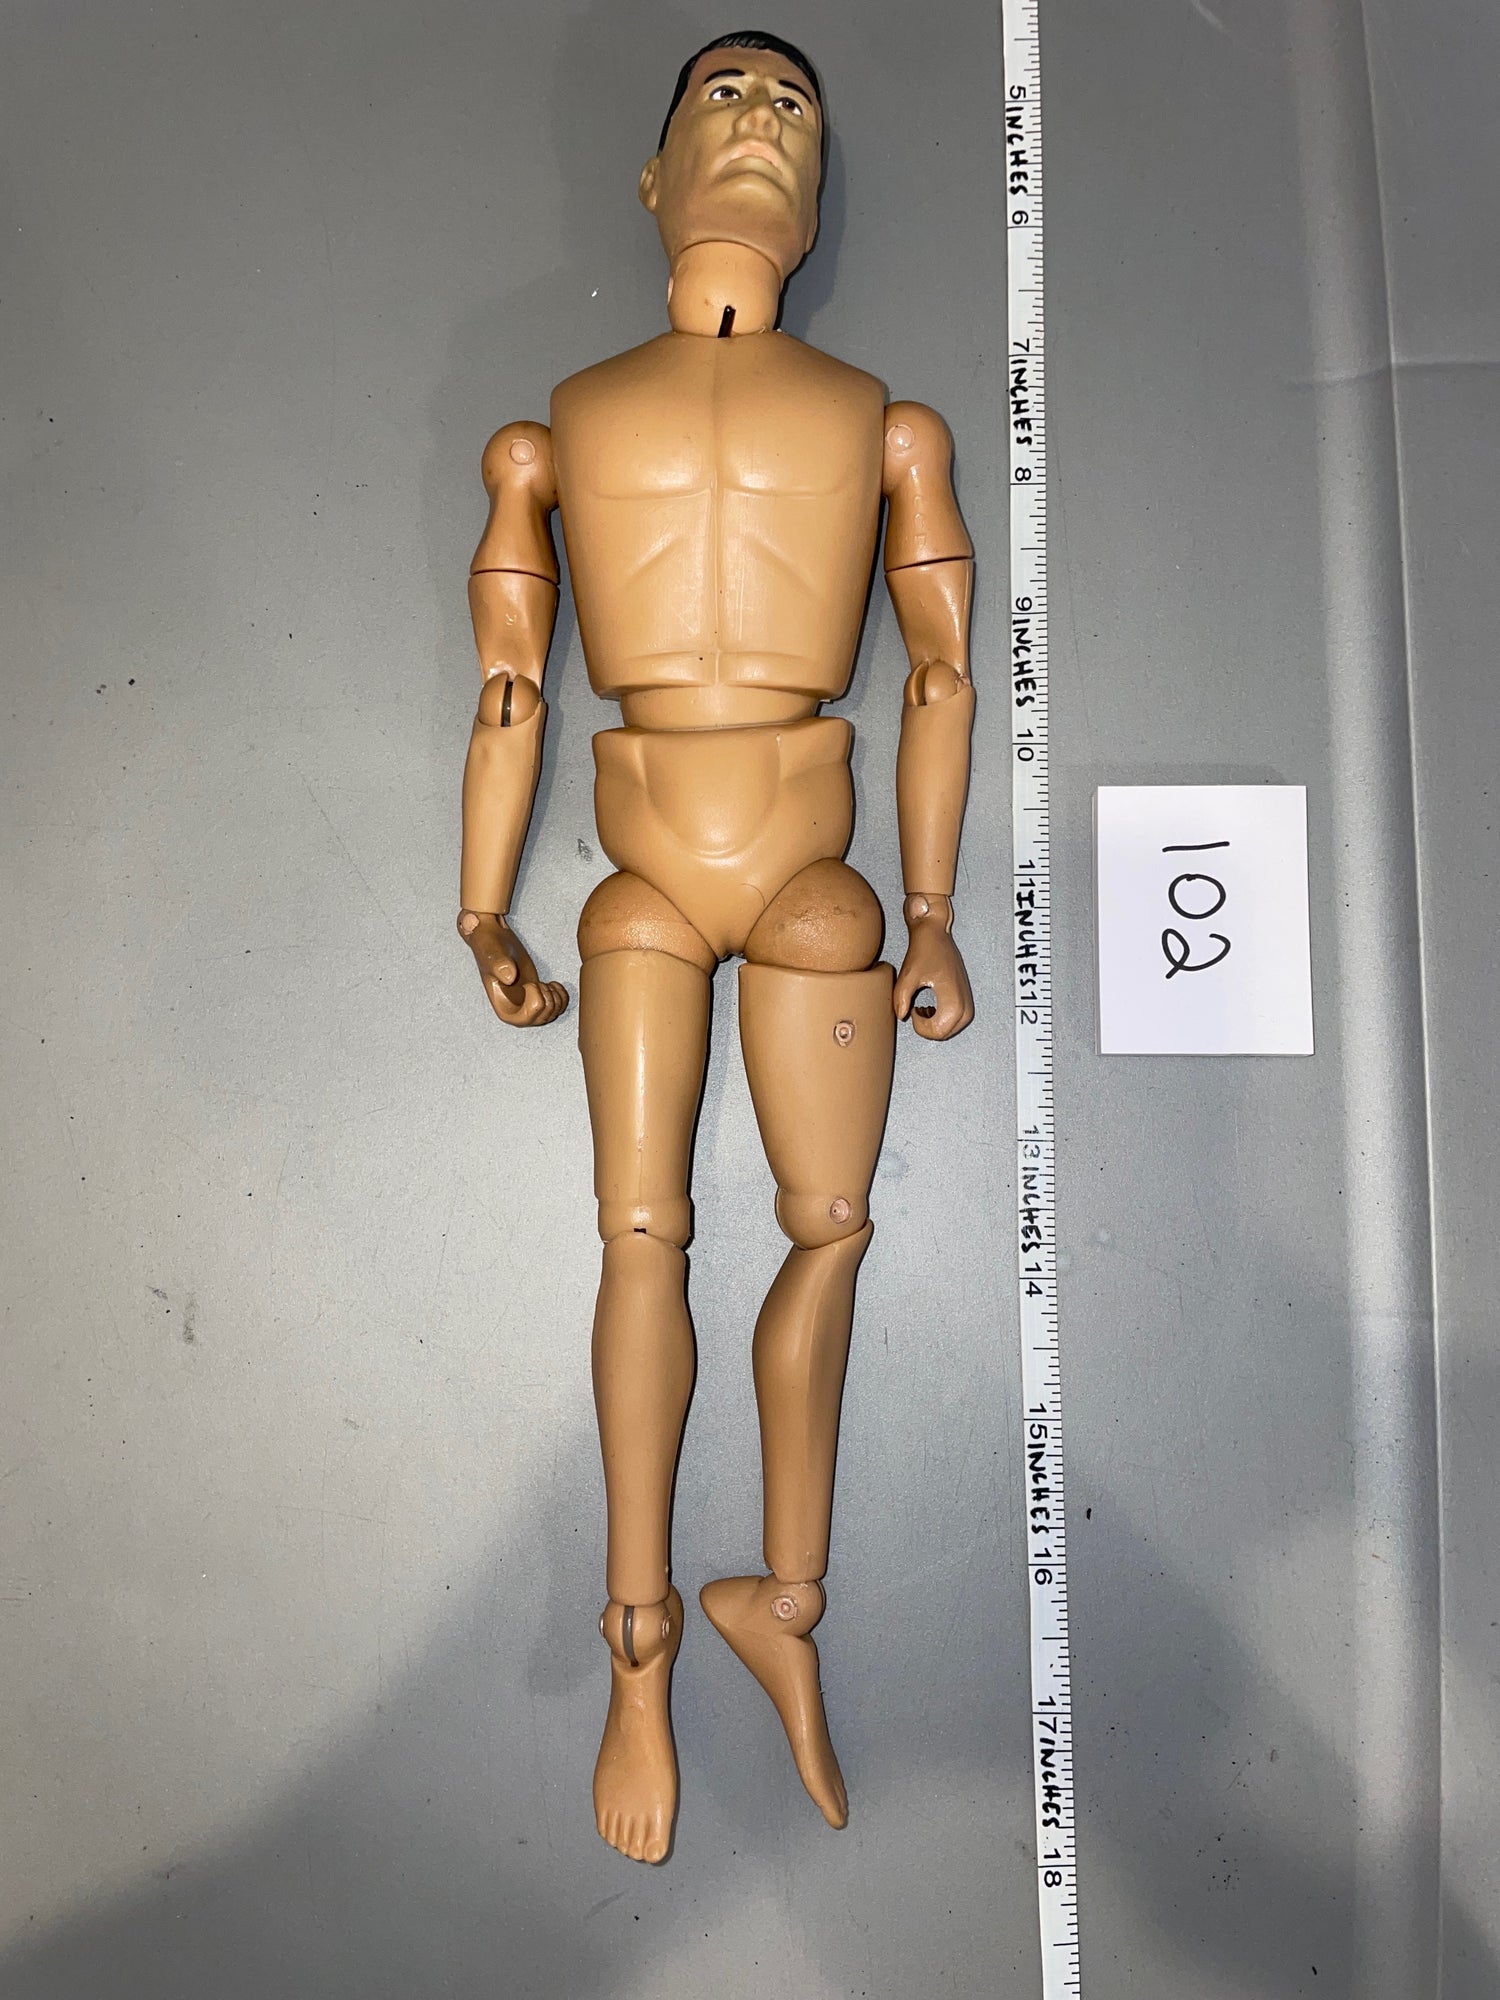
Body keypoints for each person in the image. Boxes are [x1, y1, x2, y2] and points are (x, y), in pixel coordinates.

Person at [456, 30, 975, 1863]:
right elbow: (510, 687)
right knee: (641, 1235)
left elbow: (944, 677)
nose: (760, 119)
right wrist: (480, 907)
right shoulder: (555, 431)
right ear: (656, 176)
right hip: (646, 879)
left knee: (832, 1227)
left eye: (792, 106)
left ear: (816, 191)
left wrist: (931, 909)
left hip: (820, 874)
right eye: (726, 98)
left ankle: (784, 1604)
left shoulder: (887, 426)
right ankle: (640, 1646)